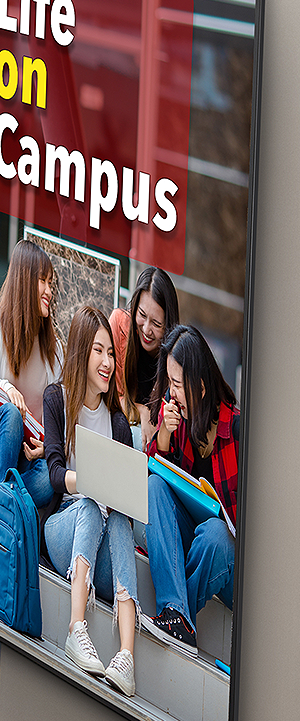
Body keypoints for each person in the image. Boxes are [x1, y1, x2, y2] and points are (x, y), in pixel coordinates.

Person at [42, 306, 140, 696]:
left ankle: (127, 657)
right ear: (82, 352)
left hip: (101, 548)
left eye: (111, 353)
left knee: (119, 521)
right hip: (64, 529)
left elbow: (124, 502)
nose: (107, 362)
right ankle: (75, 628)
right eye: (98, 350)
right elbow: (54, 474)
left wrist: (122, 495)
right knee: (88, 505)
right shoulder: (57, 399)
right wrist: (91, 482)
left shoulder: (118, 423)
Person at [142, 324, 240, 650]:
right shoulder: (179, 420)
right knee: (155, 486)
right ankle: (177, 614)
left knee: (216, 533)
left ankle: (178, 616)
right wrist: (164, 434)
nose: (171, 394)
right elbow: (155, 475)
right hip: (193, 542)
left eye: (177, 385)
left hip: (227, 559)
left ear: (200, 386)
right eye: (169, 383)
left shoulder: (238, 431)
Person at [0, 240, 63, 511]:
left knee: (49, 478)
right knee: (12, 413)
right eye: (43, 281)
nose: (49, 291)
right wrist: (5, 389)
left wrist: (46, 445)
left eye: (51, 283)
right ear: (25, 280)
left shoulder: (54, 349)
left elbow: (57, 413)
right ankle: (1, 504)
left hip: (26, 454)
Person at [110, 266, 180, 442]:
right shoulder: (119, 324)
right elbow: (105, 395)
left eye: (156, 324)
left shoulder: (175, 358)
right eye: (141, 315)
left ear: (168, 325)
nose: (147, 329)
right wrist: (140, 410)